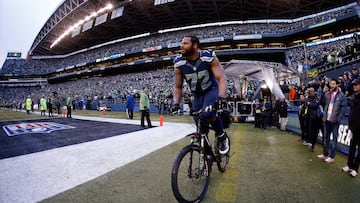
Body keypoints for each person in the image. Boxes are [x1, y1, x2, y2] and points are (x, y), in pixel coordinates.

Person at [172, 35, 229, 154]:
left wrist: (222, 97)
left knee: (208, 113)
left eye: (185, 43)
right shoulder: (179, 63)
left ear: (195, 45)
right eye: (181, 43)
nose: (181, 45)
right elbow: (178, 87)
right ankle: (206, 153)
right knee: (199, 121)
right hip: (197, 95)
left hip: (211, 89)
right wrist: (176, 103)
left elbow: (221, 77)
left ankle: (221, 136)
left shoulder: (207, 57)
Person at [317, 78, 347, 163]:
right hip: (327, 120)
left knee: (334, 139)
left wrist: (338, 119)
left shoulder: (341, 95)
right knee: (326, 138)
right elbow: (320, 102)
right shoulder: (327, 94)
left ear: (337, 85)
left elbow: (343, 109)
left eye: (333, 84)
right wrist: (323, 92)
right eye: (331, 84)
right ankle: (325, 154)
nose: (332, 86)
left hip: (335, 121)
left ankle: (332, 156)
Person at [342, 79, 360, 177]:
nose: (354, 86)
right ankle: (349, 165)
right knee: (352, 147)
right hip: (353, 127)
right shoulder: (353, 97)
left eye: (356, 85)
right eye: (354, 85)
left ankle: (355, 169)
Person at [306, 88, 322, 152]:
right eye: (312, 92)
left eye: (314, 91)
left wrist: (318, 102)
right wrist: (318, 102)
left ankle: (313, 144)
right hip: (311, 119)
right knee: (311, 132)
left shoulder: (316, 98)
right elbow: (313, 106)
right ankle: (310, 143)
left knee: (316, 133)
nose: (314, 93)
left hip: (318, 118)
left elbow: (319, 102)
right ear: (309, 93)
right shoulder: (307, 99)